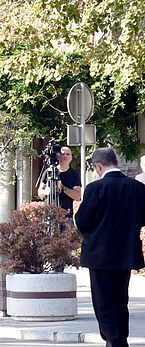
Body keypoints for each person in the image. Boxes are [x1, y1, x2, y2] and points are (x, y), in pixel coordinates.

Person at [74, 147, 145, 347]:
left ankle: (114, 340)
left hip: (100, 253)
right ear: (116, 162)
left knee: (103, 301)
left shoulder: (96, 188)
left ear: (98, 166)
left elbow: (82, 221)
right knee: (121, 298)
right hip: (126, 252)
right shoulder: (137, 187)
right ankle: (120, 338)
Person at [38, 145, 82, 216]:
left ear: (71, 158)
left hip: (66, 215)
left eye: (67, 154)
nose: (65, 156)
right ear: (58, 157)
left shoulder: (74, 174)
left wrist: (63, 188)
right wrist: (45, 192)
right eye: (62, 154)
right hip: (50, 214)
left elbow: (77, 196)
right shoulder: (49, 172)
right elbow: (39, 192)